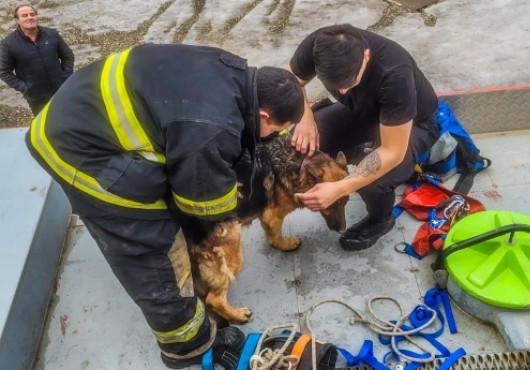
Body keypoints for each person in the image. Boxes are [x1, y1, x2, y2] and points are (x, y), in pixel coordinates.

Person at [26, 44, 304, 369]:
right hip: (80, 153)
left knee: (167, 201)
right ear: (264, 115)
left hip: (77, 114)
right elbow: (202, 205)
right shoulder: (209, 128)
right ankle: (188, 346)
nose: (274, 136)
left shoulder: (231, 70)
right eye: (276, 130)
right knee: (155, 249)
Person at [290, 24, 440, 251]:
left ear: (366, 57)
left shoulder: (394, 75)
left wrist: (341, 188)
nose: (341, 91)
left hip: (413, 124)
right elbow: (290, 79)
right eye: (334, 85)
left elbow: (391, 152)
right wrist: (304, 116)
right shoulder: (321, 45)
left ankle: (381, 219)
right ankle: (359, 148)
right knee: (304, 139)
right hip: (363, 113)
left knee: (372, 180)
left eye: (348, 82)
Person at [0, 4, 74, 115]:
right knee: (46, 126)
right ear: (17, 20)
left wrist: (66, 77)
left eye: (32, 14)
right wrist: (25, 88)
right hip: (37, 98)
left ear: (36, 16)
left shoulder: (52, 34)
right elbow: (3, 71)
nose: (29, 17)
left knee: (70, 119)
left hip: (62, 91)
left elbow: (68, 56)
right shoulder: (8, 44)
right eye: (24, 15)